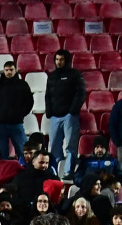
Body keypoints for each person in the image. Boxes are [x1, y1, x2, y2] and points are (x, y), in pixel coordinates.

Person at [46, 51, 87, 180]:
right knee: (54, 146)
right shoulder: (52, 76)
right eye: (57, 59)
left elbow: (81, 93)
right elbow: (48, 95)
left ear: (67, 60)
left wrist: (72, 111)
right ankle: (56, 171)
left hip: (70, 116)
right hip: (55, 117)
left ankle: (69, 172)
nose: (59, 62)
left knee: (70, 146)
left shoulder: (75, 74)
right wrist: (49, 112)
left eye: (61, 59)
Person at [0, 61, 33, 162]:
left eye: (11, 70)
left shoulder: (23, 85)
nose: (9, 72)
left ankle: (24, 170)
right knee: (3, 155)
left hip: (16, 124)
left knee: (23, 152)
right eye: (7, 70)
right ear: (4, 71)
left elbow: (29, 102)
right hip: (0, 124)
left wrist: (20, 114)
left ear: (16, 70)